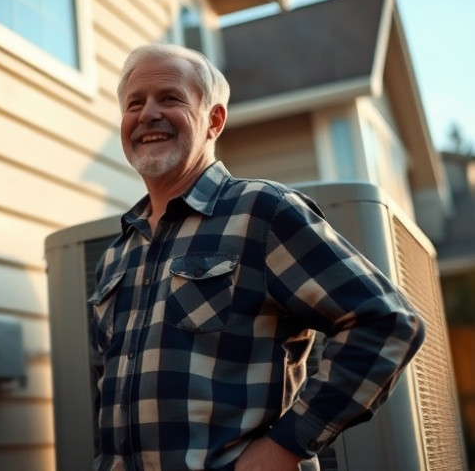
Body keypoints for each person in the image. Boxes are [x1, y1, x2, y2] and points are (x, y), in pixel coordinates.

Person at [89, 42, 425, 471]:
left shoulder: (263, 212)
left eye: (170, 98)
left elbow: (388, 322)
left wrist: (285, 447)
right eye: (134, 103)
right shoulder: (115, 258)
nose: (147, 114)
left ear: (214, 120)